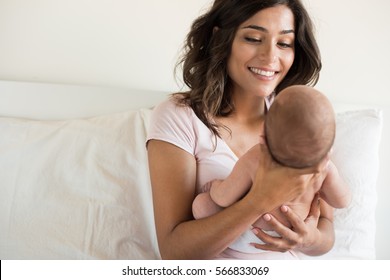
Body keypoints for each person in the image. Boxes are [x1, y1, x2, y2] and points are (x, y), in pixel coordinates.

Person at [147, 0, 336, 260]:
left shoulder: (300, 120)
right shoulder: (179, 116)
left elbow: (326, 224)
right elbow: (174, 252)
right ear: (220, 38)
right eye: (254, 38)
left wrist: (308, 239)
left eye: (284, 43)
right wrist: (259, 200)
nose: (270, 57)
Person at [192, 85, 351, 254]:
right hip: (290, 236)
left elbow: (224, 198)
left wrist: (216, 185)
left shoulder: (257, 157)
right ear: (327, 150)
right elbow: (342, 201)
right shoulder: (323, 168)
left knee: (202, 205)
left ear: (263, 134)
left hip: (248, 233)